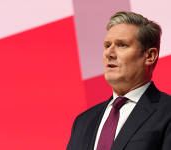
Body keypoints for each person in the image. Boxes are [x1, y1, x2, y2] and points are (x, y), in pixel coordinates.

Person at [67, 11, 171, 150]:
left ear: (149, 56)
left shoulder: (167, 113)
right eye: (107, 45)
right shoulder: (83, 121)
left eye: (122, 45)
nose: (109, 53)